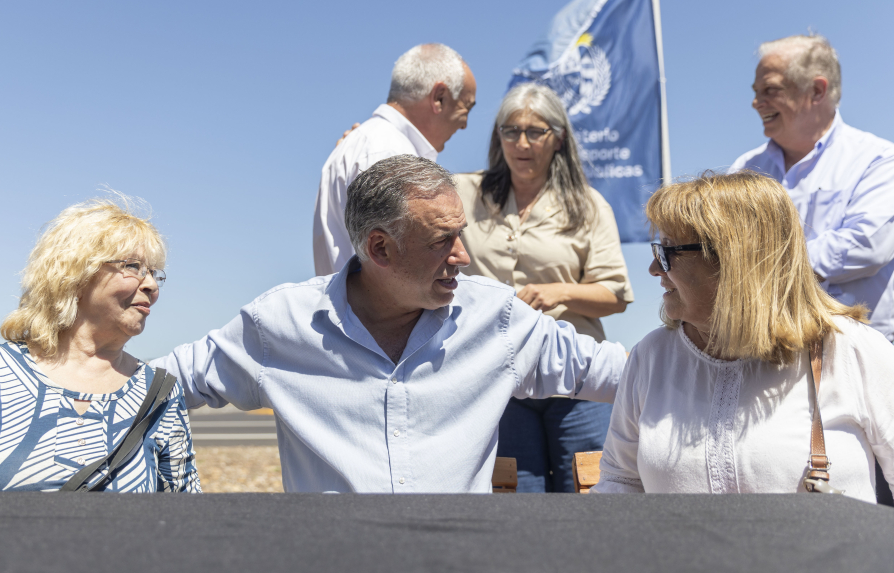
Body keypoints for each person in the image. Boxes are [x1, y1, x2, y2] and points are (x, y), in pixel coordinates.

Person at [155, 155, 626, 493]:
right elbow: (155, 386)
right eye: (443, 241)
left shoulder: (496, 319)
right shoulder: (279, 324)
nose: (464, 257)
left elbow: (625, 373)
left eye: (462, 235)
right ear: (379, 249)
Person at [592, 172, 894, 502]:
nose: (653, 268)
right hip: (680, 556)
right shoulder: (651, 356)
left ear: (734, 259)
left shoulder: (851, 349)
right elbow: (619, 483)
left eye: (668, 251)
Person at [0, 197, 200, 492]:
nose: (152, 286)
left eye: (155, 273)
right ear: (76, 276)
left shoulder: (160, 394)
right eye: (133, 266)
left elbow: (186, 516)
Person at [455, 83, 632, 492]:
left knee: (588, 490)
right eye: (510, 131)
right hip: (498, 373)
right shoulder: (465, 193)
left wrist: (560, 292)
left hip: (578, 378)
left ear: (559, 138)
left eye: (535, 132)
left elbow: (616, 294)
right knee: (513, 495)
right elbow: (404, 186)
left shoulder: (587, 205)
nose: (521, 143)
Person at [729, 34, 894, 341]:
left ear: (817, 90)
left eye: (770, 90)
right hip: (765, 356)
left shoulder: (879, 159)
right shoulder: (743, 170)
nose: (756, 102)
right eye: (756, 92)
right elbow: (724, 251)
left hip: (858, 355)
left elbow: (867, 245)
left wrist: (761, 266)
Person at [313, 43, 477, 276]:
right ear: (439, 98)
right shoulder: (389, 155)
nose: (464, 124)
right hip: (370, 313)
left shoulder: (370, 144)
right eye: (466, 107)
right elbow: (393, 275)